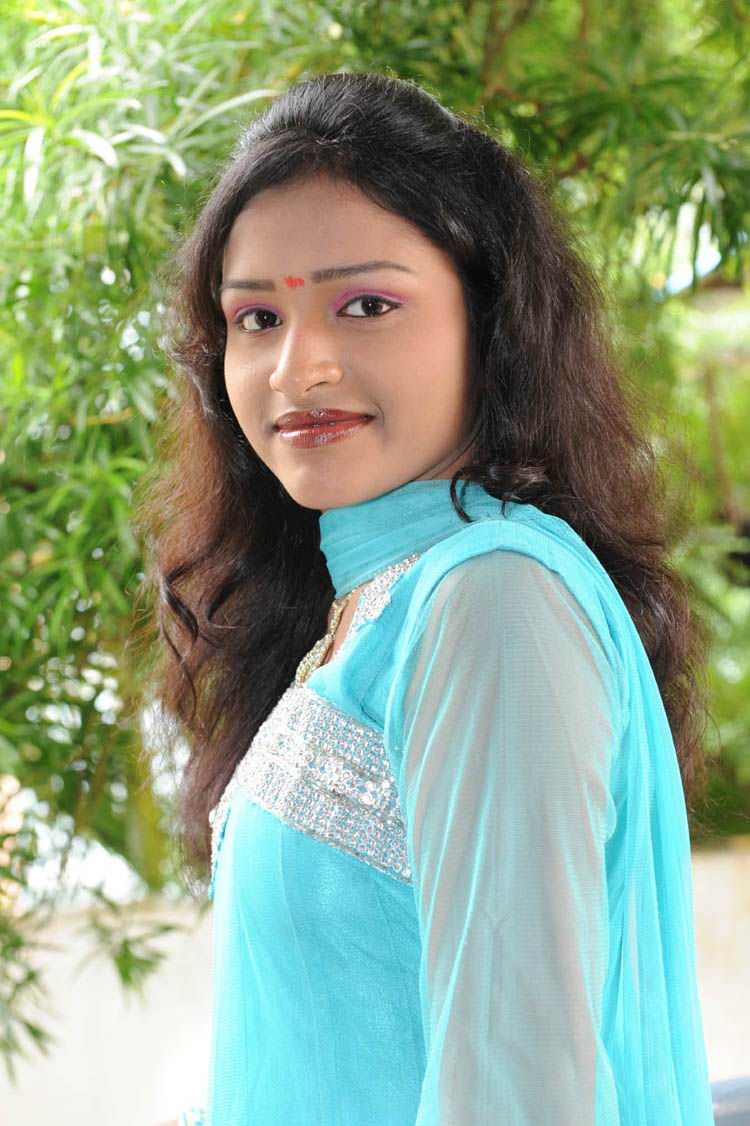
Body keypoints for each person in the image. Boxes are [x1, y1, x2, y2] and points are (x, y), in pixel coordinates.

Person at [134, 71, 716, 1125]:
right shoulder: (368, 606)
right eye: (257, 317)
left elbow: (518, 1092)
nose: (299, 368)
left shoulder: (492, 600)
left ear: (488, 317)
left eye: (365, 304)